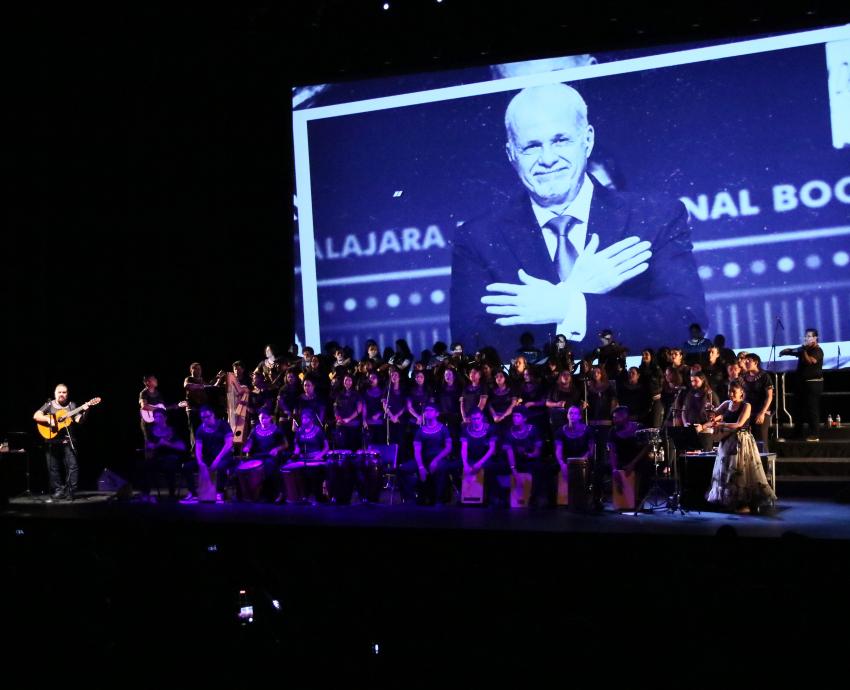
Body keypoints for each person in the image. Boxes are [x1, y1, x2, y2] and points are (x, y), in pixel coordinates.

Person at [450, 82, 706, 356]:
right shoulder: (478, 238)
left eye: (561, 140)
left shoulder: (656, 217)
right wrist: (573, 292)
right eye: (531, 147)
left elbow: (686, 325)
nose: (547, 159)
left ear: (588, 140)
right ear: (511, 154)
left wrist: (569, 306)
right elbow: (471, 346)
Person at [705, 382, 776, 513]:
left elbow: (739, 424)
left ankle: (744, 503)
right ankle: (729, 501)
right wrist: (710, 412)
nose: (731, 394)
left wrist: (721, 424)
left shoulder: (746, 406)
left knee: (740, 471)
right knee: (726, 471)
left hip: (741, 441)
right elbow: (713, 415)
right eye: (729, 391)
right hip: (727, 441)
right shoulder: (727, 404)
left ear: (741, 393)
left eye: (734, 392)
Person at [33, 384, 94, 501]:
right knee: (53, 467)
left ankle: (71, 491)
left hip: (67, 440)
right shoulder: (50, 404)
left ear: (67, 394)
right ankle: (58, 491)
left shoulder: (72, 405)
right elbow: (36, 415)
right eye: (59, 392)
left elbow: (78, 420)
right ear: (55, 394)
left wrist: (86, 411)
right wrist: (49, 419)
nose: (62, 394)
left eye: (64, 392)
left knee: (73, 466)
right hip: (52, 440)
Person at [780, 328, 825, 441]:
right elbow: (794, 351)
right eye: (806, 336)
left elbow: (810, 361)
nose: (807, 338)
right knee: (797, 409)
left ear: (815, 338)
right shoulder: (804, 349)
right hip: (801, 384)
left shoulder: (817, 350)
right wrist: (786, 351)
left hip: (813, 384)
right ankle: (797, 433)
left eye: (809, 336)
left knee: (812, 409)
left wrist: (803, 351)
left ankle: (815, 434)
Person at [741, 353, 774, 449]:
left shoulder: (765, 376)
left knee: (761, 440)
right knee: (747, 439)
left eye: (749, 360)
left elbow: (769, 396)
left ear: (756, 362)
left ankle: (765, 462)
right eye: (745, 360)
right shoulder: (744, 376)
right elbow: (744, 395)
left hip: (761, 411)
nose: (746, 362)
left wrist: (762, 413)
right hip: (748, 412)